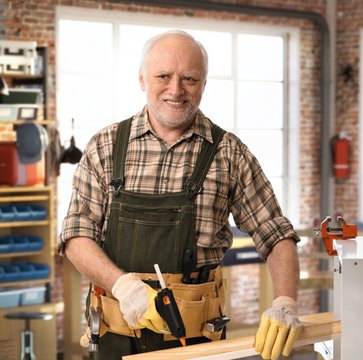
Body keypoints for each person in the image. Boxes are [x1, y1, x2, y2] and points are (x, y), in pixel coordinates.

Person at [58, 29, 302, 360]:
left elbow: (275, 233)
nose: (176, 90)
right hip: (114, 334)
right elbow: (75, 236)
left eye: (189, 78)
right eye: (163, 76)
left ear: (203, 84)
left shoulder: (228, 153)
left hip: (196, 341)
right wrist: (123, 286)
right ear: (142, 78)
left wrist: (285, 302)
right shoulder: (105, 146)